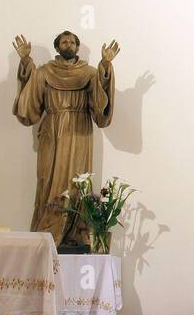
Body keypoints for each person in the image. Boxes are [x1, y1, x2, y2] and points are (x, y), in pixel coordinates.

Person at [12, 30, 118, 244]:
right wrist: (25, 61)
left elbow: (100, 105)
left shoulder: (88, 73)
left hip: (80, 132)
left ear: (77, 47)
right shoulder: (44, 72)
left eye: (72, 41)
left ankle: (75, 234)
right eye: (64, 41)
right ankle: (47, 232)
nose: (68, 44)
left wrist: (105, 66)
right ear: (57, 46)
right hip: (52, 131)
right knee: (48, 180)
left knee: (78, 182)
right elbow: (30, 103)